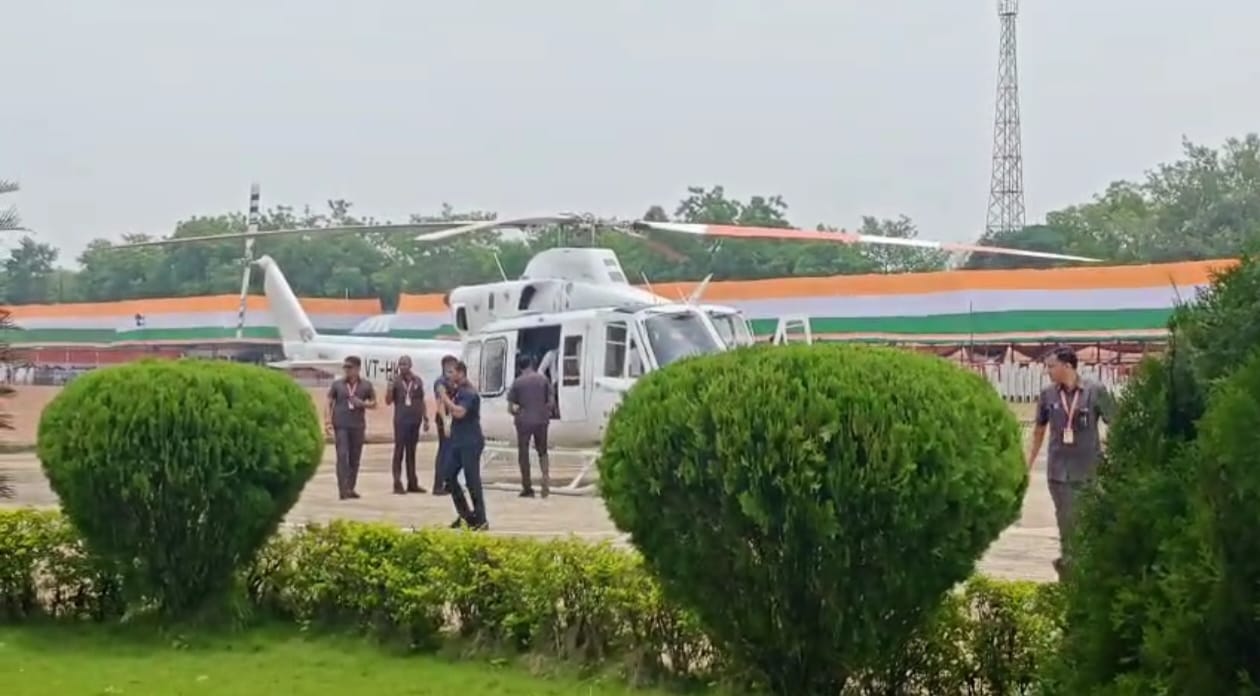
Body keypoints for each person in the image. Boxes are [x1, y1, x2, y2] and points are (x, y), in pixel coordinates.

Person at [1026, 346, 1114, 578]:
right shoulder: (1048, 395)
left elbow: (1116, 422)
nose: (1048, 371)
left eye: (1051, 366)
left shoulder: (1095, 391)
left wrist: (1112, 455)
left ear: (1067, 366)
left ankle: (1091, 569)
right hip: (1059, 474)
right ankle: (1070, 572)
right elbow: (1038, 431)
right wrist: (1028, 463)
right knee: (1067, 523)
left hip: (1090, 471)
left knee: (1091, 522)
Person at [437, 360, 487, 530]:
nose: (449, 376)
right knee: (449, 476)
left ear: (461, 373)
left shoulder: (469, 393)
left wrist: (444, 397)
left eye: (452, 372)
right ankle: (465, 515)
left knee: (472, 480)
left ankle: (481, 519)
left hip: (470, 441)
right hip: (458, 441)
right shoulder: (458, 391)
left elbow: (459, 412)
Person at [325, 355, 377, 500]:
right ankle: (342, 489)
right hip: (341, 424)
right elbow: (328, 402)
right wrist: (327, 421)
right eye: (345, 368)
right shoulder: (337, 385)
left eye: (350, 367)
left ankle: (350, 487)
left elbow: (374, 403)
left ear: (357, 369)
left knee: (355, 458)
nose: (347, 370)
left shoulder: (366, 385)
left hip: (357, 426)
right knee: (342, 456)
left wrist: (363, 404)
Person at [507, 353, 554, 498]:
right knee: (542, 451)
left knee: (524, 453)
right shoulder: (543, 379)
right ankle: (545, 478)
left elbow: (510, 407)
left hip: (523, 421)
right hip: (541, 420)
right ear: (531, 364)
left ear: (519, 367)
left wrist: (518, 412)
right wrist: (544, 412)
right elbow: (551, 402)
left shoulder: (517, 383)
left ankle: (527, 488)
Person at [384, 355, 429, 494]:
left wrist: (425, 418)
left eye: (405, 364)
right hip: (401, 421)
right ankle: (397, 483)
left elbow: (421, 400)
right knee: (399, 451)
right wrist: (389, 388)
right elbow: (388, 401)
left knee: (411, 452)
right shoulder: (395, 381)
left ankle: (412, 483)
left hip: (415, 420)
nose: (402, 367)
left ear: (410, 365)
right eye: (400, 364)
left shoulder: (417, 380)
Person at [431, 355, 459, 495]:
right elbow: (440, 402)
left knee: (451, 452)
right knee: (444, 451)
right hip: (445, 418)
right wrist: (445, 421)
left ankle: (448, 482)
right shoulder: (440, 382)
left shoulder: (453, 381)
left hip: (453, 418)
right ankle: (438, 485)